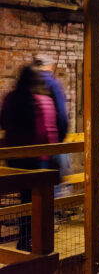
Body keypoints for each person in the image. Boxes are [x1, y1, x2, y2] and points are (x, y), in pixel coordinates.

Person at [0, 65, 58, 251]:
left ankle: (24, 239)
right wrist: (49, 154)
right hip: (34, 157)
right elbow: (45, 131)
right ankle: (28, 239)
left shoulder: (10, 98)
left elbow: (2, 121)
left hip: (13, 156)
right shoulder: (40, 101)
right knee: (33, 199)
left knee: (14, 197)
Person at [33, 54, 71, 196]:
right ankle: (53, 212)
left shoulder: (28, 84)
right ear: (50, 66)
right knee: (56, 181)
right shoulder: (53, 84)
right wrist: (61, 138)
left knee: (34, 184)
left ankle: (30, 215)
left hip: (29, 144)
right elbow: (61, 114)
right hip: (52, 140)